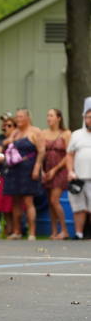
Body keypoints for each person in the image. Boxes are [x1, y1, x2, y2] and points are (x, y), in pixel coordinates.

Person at [3, 109, 45, 240]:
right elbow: (6, 143)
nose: (18, 119)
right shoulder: (15, 132)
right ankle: (17, 231)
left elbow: (42, 151)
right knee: (15, 201)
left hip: (28, 167)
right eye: (17, 117)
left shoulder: (35, 131)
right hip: (14, 169)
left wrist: (37, 168)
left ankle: (32, 232)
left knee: (28, 200)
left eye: (21, 117)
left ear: (27, 117)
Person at [41, 109, 71, 239]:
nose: (49, 118)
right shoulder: (43, 133)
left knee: (55, 200)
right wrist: (42, 170)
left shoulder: (66, 133)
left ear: (59, 118)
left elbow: (69, 154)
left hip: (60, 170)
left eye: (51, 115)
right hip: (47, 169)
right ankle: (54, 231)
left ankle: (64, 230)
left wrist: (55, 169)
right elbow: (41, 153)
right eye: (47, 115)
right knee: (50, 201)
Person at [66, 99, 91, 240]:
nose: (90, 120)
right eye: (88, 117)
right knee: (78, 207)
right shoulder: (76, 135)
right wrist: (70, 171)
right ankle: (79, 233)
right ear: (84, 118)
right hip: (78, 178)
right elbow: (69, 155)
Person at [0, 115, 16, 237]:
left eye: (9, 125)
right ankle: (6, 228)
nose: (6, 127)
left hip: (17, 174)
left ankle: (15, 229)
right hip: (3, 173)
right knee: (3, 203)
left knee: (14, 204)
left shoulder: (19, 138)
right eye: (4, 125)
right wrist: (6, 143)